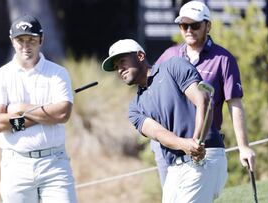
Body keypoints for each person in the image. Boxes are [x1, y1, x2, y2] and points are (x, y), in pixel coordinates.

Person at [102, 38, 228, 202]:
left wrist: (197, 141)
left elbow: (202, 101)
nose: (120, 70)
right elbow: (159, 133)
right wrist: (185, 145)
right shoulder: (135, 108)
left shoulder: (173, 66)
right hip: (175, 168)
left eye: (122, 62)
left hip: (206, 155)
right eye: (116, 67)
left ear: (140, 56)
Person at [151, 0, 256, 187]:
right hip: (169, 145)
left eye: (195, 25)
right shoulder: (169, 55)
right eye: (184, 25)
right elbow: (150, 88)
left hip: (204, 145)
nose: (189, 30)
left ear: (208, 26)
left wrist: (244, 147)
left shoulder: (223, 59)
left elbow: (235, 104)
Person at [0, 15, 77, 203]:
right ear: (12, 41)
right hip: (15, 164)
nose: (25, 46)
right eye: (20, 40)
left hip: (54, 163)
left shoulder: (58, 73)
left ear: (41, 40)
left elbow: (62, 114)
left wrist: (19, 109)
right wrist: (45, 114)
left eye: (32, 40)